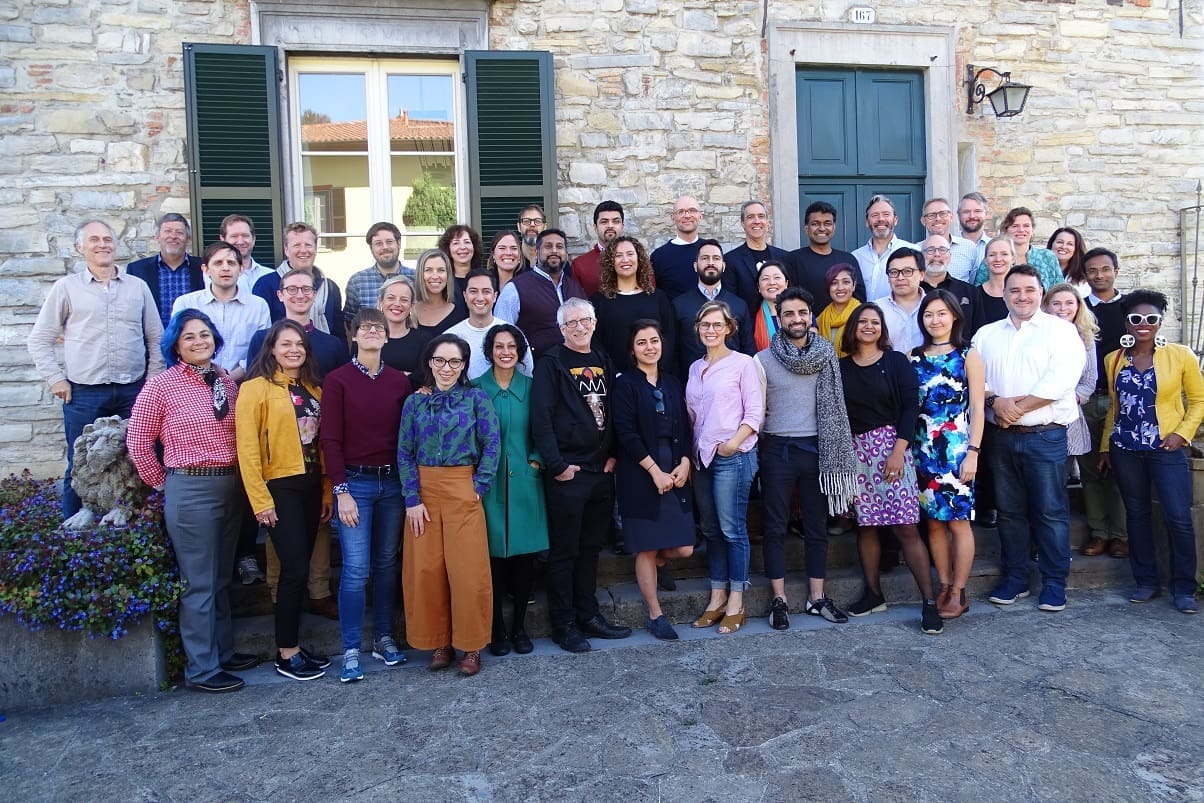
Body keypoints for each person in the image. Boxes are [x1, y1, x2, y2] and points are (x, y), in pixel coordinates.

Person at [127, 309, 257, 693]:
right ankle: (201, 669)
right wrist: (165, 485)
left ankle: (222, 651)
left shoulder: (224, 383)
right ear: (175, 346)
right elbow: (138, 441)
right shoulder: (161, 387)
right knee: (199, 581)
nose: (199, 341)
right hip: (192, 488)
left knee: (219, 577)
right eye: (189, 337)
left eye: (204, 334)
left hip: (231, 486)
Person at [27, 219, 166, 521]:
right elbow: (39, 338)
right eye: (94, 240)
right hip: (84, 393)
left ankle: (137, 528)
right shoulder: (66, 288)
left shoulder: (137, 287)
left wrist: (153, 381)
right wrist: (55, 379)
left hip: (133, 391)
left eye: (107, 239)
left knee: (138, 460)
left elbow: (156, 337)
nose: (102, 245)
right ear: (80, 247)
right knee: (79, 464)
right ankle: (72, 537)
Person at [972, 265, 1085, 612]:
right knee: (1009, 513)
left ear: (1041, 293)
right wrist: (996, 402)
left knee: (1050, 512)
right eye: (1015, 290)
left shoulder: (1061, 332)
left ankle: (1054, 583)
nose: (1022, 296)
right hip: (1001, 437)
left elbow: (1060, 382)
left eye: (1029, 290)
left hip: (1045, 436)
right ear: (1004, 294)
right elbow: (975, 381)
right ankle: (1016, 578)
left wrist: (1013, 407)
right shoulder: (986, 334)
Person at [530, 298, 630, 653]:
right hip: (568, 475)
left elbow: (616, 411)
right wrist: (557, 466)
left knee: (590, 550)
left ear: (594, 322)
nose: (579, 327)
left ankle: (588, 615)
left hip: (600, 471)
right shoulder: (551, 364)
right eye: (571, 323)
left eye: (584, 320)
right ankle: (564, 623)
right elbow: (540, 418)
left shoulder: (603, 360)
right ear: (562, 329)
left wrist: (615, 455)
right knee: (564, 552)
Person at [235, 319, 333, 681]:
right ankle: (286, 652)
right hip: (279, 487)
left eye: (300, 344)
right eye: (285, 344)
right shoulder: (255, 389)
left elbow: (321, 445)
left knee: (300, 568)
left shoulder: (312, 388)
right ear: (271, 348)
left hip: (309, 486)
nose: (294, 350)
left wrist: (325, 491)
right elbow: (246, 449)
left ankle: (292, 644)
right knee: (292, 570)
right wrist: (260, 501)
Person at [754, 288, 858, 629]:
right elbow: (755, 410)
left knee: (816, 527)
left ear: (810, 315)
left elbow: (838, 405)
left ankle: (817, 598)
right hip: (778, 450)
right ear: (778, 318)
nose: (796, 319)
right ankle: (779, 600)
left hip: (818, 449)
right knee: (774, 527)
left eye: (801, 312)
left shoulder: (827, 354)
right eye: (788, 314)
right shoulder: (762, 360)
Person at [398, 334, 500, 676]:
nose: (446, 368)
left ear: (464, 365)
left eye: (454, 362)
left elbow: (491, 445)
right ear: (430, 362)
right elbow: (404, 452)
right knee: (427, 571)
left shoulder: (476, 399)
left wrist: (478, 487)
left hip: (462, 488)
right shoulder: (414, 402)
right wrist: (411, 498)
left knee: (467, 571)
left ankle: (471, 646)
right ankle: (439, 641)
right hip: (424, 493)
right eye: (440, 360)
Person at [320, 309, 413, 683]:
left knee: (387, 564)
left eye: (379, 328)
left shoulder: (398, 382)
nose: (373, 332)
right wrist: (340, 491)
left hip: (392, 484)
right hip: (354, 485)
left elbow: (407, 439)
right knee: (356, 569)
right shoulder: (337, 381)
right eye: (366, 328)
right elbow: (330, 440)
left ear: (387, 337)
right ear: (354, 337)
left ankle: (385, 637)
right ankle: (351, 649)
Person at [839, 303, 942, 634]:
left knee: (906, 526)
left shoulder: (896, 361)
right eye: (863, 321)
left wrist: (899, 451)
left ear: (882, 329)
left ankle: (929, 601)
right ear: (852, 327)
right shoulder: (840, 368)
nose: (869, 326)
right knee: (866, 526)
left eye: (875, 322)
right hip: (856, 453)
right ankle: (873, 594)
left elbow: (911, 406)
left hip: (892, 448)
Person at [1100, 290, 1204, 614]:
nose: (1143, 325)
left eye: (1151, 319)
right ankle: (1146, 582)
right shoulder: (1113, 359)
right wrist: (1105, 447)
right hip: (1126, 449)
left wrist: (1182, 435)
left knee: (1178, 517)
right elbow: (1114, 408)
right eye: (1136, 319)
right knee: (1137, 516)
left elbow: (1198, 402)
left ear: (1160, 322)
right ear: (1127, 323)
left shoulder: (1181, 356)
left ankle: (1184, 587)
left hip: (1166, 449)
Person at [611, 320, 695, 639]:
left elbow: (686, 428)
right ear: (632, 350)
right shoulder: (626, 384)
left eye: (654, 340)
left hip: (675, 469)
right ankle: (655, 614)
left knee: (685, 547)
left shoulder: (673, 382)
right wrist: (653, 471)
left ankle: (659, 563)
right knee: (644, 546)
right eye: (642, 342)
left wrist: (686, 462)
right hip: (640, 471)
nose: (650, 346)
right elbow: (626, 433)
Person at [686, 300, 763, 635]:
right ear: (698, 329)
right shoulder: (693, 368)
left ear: (729, 328)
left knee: (733, 531)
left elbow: (755, 412)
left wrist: (732, 443)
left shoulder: (743, 364)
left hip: (733, 455)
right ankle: (716, 598)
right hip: (702, 458)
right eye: (706, 325)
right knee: (712, 531)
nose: (711, 330)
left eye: (718, 324)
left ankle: (737, 600)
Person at [911, 291, 985, 621]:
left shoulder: (968, 354)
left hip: (956, 450)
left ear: (954, 316)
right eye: (929, 314)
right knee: (934, 525)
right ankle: (942, 584)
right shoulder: (912, 357)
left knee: (958, 522)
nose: (935, 320)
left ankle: (959, 589)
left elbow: (979, 409)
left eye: (941, 313)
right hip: (922, 450)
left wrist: (973, 452)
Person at [475, 324, 549, 656]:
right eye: (499, 346)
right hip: (488, 488)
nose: (506, 352)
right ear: (489, 351)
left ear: (520, 352)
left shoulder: (533, 388)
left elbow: (545, 430)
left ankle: (520, 628)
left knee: (523, 562)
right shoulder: (475, 389)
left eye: (512, 347)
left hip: (525, 485)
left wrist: (536, 460)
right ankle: (496, 630)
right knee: (491, 563)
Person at [1080, 248, 1129, 557]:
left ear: (1116, 270)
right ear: (1085, 275)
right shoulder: (1080, 309)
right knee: (1089, 469)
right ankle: (1098, 531)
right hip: (1087, 397)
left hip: (1120, 400)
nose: (1099, 275)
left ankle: (1120, 534)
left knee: (1120, 467)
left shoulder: (1131, 308)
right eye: (1092, 271)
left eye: (1105, 269)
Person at [171, 241, 271, 382]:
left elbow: (262, 350)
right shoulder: (186, 303)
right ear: (206, 269)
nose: (225, 268)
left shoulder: (258, 306)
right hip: (194, 385)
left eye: (231, 263)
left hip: (244, 385)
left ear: (241, 269)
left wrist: (229, 379)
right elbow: (178, 346)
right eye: (218, 263)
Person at [495, 228, 587, 358]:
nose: (554, 251)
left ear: (566, 253)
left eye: (559, 247)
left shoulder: (575, 288)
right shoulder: (515, 288)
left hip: (574, 369)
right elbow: (500, 334)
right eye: (548, 246)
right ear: (537, 253)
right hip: (535, 371)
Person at [590, 235, 676, 375]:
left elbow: (670, 338)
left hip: (654, 380)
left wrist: (657, 372)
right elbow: (596, 344)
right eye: (618, 255)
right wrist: (614, 374)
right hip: (616, 382)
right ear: (611, 262)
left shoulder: (658, 298)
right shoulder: (599, 301)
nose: (625, 260)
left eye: (630, 254)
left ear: (639, 259)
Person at [672, 239, 756, 377]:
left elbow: (748, 350)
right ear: (695, 266)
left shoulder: (739, 305)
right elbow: (674, 352)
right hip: (693, 385)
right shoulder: (679, 305)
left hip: (732, 386)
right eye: (704, 258)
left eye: (716, 258)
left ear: (723, 266)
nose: (710, 262)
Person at [253, 222, 344, 336]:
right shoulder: (265, 284)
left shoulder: (330, 288)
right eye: (297, 245)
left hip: (322, 351)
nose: (303, 250)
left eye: (308, 245)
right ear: (286, 250)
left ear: (315, 248)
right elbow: (259, 330)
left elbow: (339, 333)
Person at [1042, 283, 1099, 464]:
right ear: (1046, 306)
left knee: (1061, 474)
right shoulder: (1035, 334)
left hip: (1068, 413)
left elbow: (1089, 381)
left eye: (1069, 303)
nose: (1063, 308)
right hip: (1035, 413)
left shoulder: (1085, 337)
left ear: (1078, 306)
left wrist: (1063, 399)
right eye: (1056, 303)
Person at [446, 269, 534, 380]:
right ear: (465, 296)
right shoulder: (450, 336)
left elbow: (526, 377)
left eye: (486, 291)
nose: (480, 298)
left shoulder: (513, 334)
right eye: (473, 291)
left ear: (495, 296)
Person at [126, 213, 203, 326]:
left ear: (187, 239)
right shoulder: (137, 270)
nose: (173, 236)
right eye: (167, 231)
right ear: (157, 236)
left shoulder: (204, 268)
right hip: (153, 341)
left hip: (193, 340)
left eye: (179, 232)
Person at [789, 201, 865, 315]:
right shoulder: (793, 260)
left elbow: (860, 300)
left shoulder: (848, 259)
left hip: (845, 328)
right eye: (815, 223)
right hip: (807, 328)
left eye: (827, 223)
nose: (822, 228)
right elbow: (789, 299)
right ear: (806, 228)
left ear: (834, 228)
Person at [724, 200, 790, 314]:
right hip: (749, 326)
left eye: (761, 216)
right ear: (742, 223)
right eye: (750, 217)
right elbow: (731, 301)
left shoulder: (785, 257)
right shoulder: (731, 260)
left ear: (767, 222)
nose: (757, 221)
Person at [972, 207, 1060, 290]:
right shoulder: (994, 260)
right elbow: (978, 291)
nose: (1021, 230)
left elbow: (1060, 289)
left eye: (1026, 226)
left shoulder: (1047, 257)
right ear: (1006, 230)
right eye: (1015, 226)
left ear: (1032, 230)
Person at [342, 222, 413, 325]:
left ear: (398, 243)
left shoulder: (415, 278)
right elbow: (350, 322)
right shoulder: (357, 282)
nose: (384, 247)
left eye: (389, 242)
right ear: (371, 248)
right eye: (378, 243)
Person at [852, 195, 916, 302]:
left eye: (886, 214)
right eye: (875, 215)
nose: (881, 219)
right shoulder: (856, 257)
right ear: (867, 222)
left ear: (895, 220)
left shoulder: (913, 252)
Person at [650, 195, 705, 300]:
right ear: (672, 217)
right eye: (681, 212)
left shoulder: (711, 251)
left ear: (700, 216)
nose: (687, 215)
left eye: (692, 211)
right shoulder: (659, 256)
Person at [874, 247, 925, 355]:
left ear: (922, 274)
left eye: (907, 271)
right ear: (888, 277)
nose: (900, 277)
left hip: (926, 370)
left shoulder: (935, 307)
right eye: (894, 272)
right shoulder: (875, 309)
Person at [377, 275, 431, 377]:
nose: (397, 304)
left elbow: (424, 378)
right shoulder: (366, 336)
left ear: (411, 305)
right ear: (381, 302)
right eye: (391, 298)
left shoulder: (424, 340)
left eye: (404, 300)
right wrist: (404, 375)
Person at [571, 201, 625, 298]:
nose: (610, 225)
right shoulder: (580, 265)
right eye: (604, 221)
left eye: (615, 221)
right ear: (595, 227)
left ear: (622, 226)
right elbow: (576, 303)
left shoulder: (637, 261)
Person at [919, 198, 977, 283]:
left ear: (951, 217)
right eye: (931, 215)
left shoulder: (969, 247)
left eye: (943, 214)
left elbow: (972, 282)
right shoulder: (915, 249)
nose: (938, 218)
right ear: (923, 221)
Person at [918, 234, 974, 321]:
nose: (937, 254)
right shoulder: (913, 291)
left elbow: (980, 331)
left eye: (942, 250)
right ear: (921, 256)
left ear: (950, 256)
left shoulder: (970, 292)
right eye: (930, 250)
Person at [413, 247, 467, 337]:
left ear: (448, 274)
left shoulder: (461, 314)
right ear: (420, 274)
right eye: (428, 270)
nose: (435, 276)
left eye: (441, 270)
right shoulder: (408, 312)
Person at [967, 236, 1015, 338]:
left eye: (1004, 254)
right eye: (992, 255)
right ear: (985, 260)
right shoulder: (974, 295)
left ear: (1013, 258)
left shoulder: (1021, 295)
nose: (998, 259)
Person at [219, 213, 275, 295]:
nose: (240, 242)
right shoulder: (209, 277)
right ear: (222, 239)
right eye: (234, 236)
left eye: (245, 236)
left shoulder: (270, 276)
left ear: (254, 239)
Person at [815, 263, 861, 358]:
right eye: (834, 283)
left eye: (846, 282)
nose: (840, 288)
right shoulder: (822, 318)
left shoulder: (862, 315)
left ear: (854, 285)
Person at [438, 224, 486, 308]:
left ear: (474, 246)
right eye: (456, 243)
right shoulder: (442, 282)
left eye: (467, 242)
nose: (462, 247)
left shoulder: (485, 278)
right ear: (448, 248)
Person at [750, 260, 790, 351]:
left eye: (777, 277)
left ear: (786, 283)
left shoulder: (802, 313)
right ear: (758, 287)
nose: (771, 282)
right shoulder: (751, 321)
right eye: (765, 278)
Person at [1048, 227, 1088, 294]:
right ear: (1051, 244)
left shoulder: (1084, 278)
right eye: (1060, 242)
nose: (1063, 247)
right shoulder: (1037, 269)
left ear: (1076, 249)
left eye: (1070, 244)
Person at [957, 192, 991, 267]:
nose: (972, 216)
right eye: (966, 211)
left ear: (986, 214)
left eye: (977, 211)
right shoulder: (947, 248)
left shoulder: (995, 247)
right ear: (959, 215)